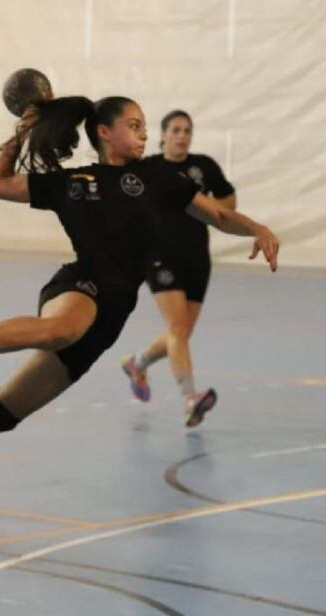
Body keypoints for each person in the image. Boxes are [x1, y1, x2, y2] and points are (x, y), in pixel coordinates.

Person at [0, 96, 278, 495]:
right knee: (62, 329)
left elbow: (221, 215)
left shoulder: (160, 177)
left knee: (0, 414)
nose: (142, 134)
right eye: (133, 126)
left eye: (144, 127)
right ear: (104, 132)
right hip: (80, 286)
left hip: (111, 319)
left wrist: (257, 228)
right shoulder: (74, 183)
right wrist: (22, 132)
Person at [122, 110, 237, 426]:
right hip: (159, 257)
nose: (182, 135)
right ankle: (190, 398)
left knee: (181, 333)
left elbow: (229, 202)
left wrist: (207, 208)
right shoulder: (149, 170)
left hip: (197, 258)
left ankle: (137, 363)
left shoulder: (204, 167)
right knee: (177, 329)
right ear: (162, 135)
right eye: (175, 130)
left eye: (187, 130)